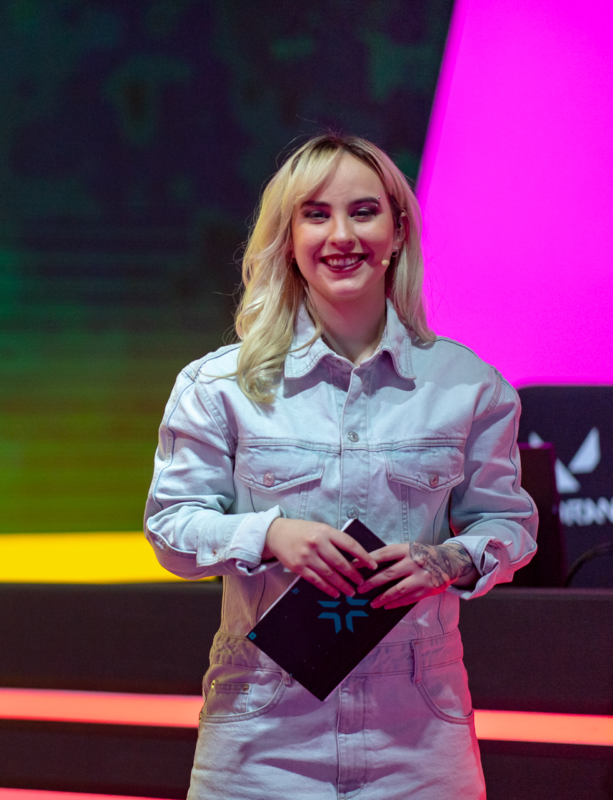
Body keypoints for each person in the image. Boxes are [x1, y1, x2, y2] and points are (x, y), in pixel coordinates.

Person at [143, 134, 538, 799]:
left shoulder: (470, 387)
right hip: (261, 736)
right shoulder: (217, 387)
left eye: (363, 212)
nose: (342, 236)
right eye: (316, 215)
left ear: (397, 231)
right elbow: (170, 530)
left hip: (420, 737)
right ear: (289, 238)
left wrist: (449, 559)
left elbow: (510, 526)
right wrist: (270, 534)